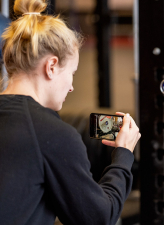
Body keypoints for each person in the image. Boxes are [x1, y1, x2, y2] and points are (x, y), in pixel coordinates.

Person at [0, 0, 141, 224]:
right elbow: (98, 218)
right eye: (72, 73)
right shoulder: (52, 134)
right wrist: (124, 154)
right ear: (51, 66)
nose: (71, 86)